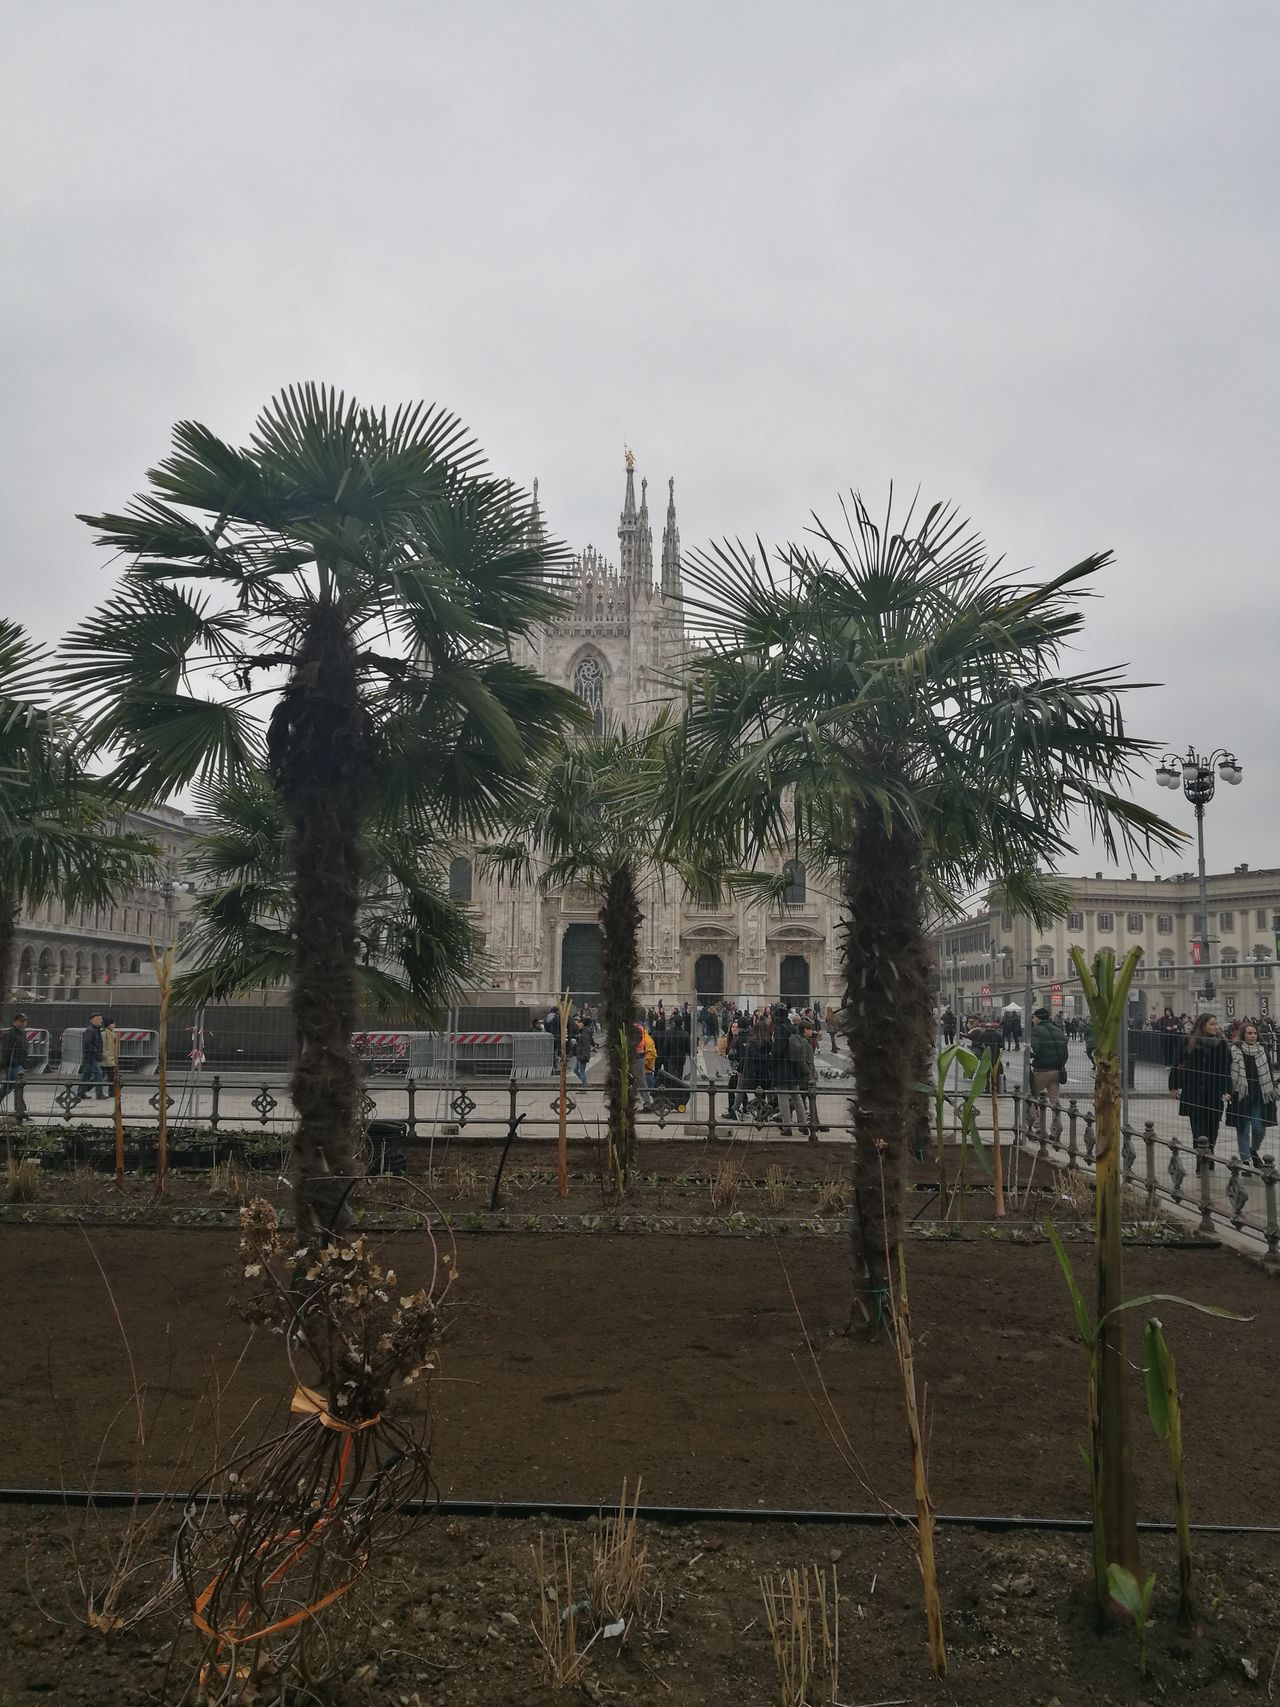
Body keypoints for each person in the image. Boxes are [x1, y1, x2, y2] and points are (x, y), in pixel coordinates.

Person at [1172, 1014, 1232, 1166]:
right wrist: (1173, 1086)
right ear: (1203, 1025)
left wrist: (1227, 1089)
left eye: (1215, 1024)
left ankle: (1209, 1154)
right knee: (1198, 1126)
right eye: (1212, 1024)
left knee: (1213, 1125)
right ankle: (1201, 1158)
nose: (1215, 1027)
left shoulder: (1221, 1043)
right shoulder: (1189, 1040)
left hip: (1214, 1090)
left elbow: (1226, 1067)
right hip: (1194, 1089)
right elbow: (1177, 1063)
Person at [1229, 1022, 1276, 1169]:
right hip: (1241, 1096)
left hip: (1259, 1096)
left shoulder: (1263, 1052)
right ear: (1243, 1035)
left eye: (1255, 1033)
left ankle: (1253, 1150)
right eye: (1250, 1033)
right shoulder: (1235, 1051)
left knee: (1259, 1129)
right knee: (1242, 1129)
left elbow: (1269, 1073)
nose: (1253, 1036)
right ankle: (1245, 1161)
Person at [1028, 1006, 1068, 1140]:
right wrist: (1060, 1064)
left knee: (1031, 1096)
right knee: (1054, 1101)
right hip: (1057, 1070)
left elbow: (1036, 1048)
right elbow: (1065, 1052)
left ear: (1038, 1018)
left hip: (1042, 1070)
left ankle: (1038, 1128)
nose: (1033, 1020)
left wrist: (1031, 1053)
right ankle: (1056, 1127)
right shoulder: (1058, 1030)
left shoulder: (1036, 1030)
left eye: (1034, 1017)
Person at [75, 1012, 109, 1102]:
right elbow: (87, 1044)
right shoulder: (90, 1030)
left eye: (101, 1018)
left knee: (86, 1075)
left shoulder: (96, 1030)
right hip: (91, 1056)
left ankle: (81, 1093)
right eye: (98, 1018)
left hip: (91, 1056)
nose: (100, 1020)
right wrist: (97, 1051)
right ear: (92, 1020)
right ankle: (99, 1094)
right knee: (99, 1074)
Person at [0, 1012, 28, 1111]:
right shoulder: (10, 1034)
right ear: (15, 1022)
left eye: (25, 1021)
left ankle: (21, 1110)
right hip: (13, 1065)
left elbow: (24, 1050)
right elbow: (6, 1051)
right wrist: (7, 1065)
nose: (23, 1023)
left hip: (18, 1065)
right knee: (18, 1086)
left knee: (9, 1087)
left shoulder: (22, 1033)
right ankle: (20, 1111)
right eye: (21, 1021)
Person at [572, 1017, 593, 1088]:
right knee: (575, 1070)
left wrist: (578, 1039)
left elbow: (584, 1045)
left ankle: (584, 1087)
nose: (578, 1024)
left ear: (583, 1024)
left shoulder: (585, 1033)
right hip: (580, 1054)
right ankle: (585, 1083)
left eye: (580, 1022)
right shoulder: (583, 1031)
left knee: (582, 1071)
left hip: (582, 1055)